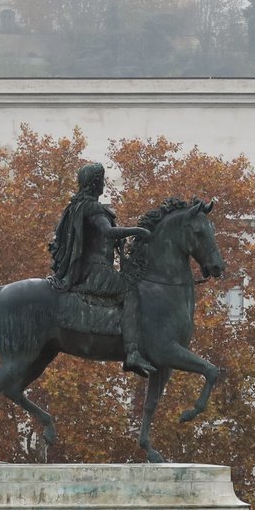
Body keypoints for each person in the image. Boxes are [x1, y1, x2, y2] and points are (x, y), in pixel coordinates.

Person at [47, 160, 155, 375]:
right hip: (95, 269)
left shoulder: (76, 206)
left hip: (84, 268)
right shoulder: (92, 207)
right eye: (102, 180)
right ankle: (132, 352)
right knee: (130, 292)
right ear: (95, 183)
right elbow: (107, 232)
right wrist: (138, 231)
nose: (104, 184)